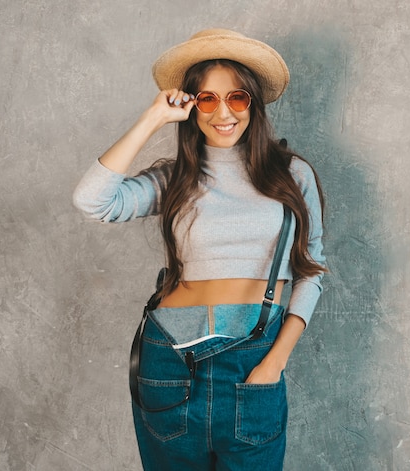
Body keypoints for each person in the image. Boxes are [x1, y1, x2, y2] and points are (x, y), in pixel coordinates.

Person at [73, 29, 326, 470]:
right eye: (206, 100)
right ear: (190, 106)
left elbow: (312, 269)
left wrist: (275, 362)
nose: (223, 112)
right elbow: (92, 201)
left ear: (254, 103)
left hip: (253, 358)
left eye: (237, 98)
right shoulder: (175, 179)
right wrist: (152, 118)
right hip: (168, 359)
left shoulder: (291, 174)